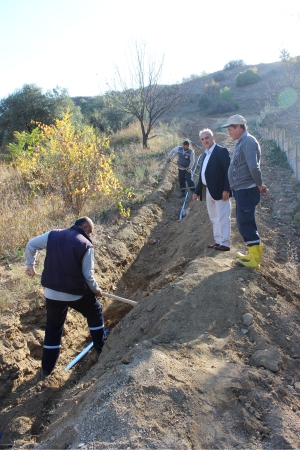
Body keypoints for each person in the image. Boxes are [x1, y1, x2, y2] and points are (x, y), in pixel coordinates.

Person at [25, 216, 105, 380]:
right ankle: (100, 349)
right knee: (95, 311)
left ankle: (47, 370)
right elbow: (88, 276)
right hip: (74, 293)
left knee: (53, 329)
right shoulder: (86, 245)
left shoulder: (53, 235)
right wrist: (96, 291)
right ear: (84, 228)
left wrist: (30, 266)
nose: (90, 236)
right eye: (90, 232)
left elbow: (31, 244)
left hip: (51, 292)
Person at [221, 114, 268, 269]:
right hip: (241, 190)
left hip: (247, 190)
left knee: (246, 223)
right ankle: (252, 254)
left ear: (239, 127)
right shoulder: (241, 142)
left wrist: (260, 185)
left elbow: (253, 166)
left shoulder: (248, 141)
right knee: (242, 223)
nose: (229, 132)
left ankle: (255, 260)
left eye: (230, 129)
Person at [193, 128, 231, 251]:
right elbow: (203, 174)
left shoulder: (221, 151)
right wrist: (197, 191)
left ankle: (225, 243)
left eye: (207, 138)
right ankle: (218, 240)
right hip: (208, 190)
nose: (205, 141)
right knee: (214, 217)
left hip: (220, 190)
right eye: (202, 139)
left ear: (213, 137)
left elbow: (228, 172)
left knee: (223, 216)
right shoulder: (206, 153)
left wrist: (227, 189)